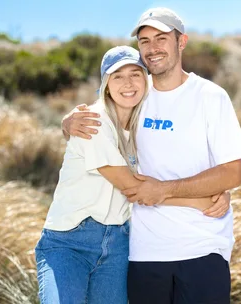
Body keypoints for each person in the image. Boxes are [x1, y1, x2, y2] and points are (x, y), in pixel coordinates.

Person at [62, 7, 241, 304]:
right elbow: (97, 120)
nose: (153, 48)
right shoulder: (134, 94)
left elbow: (231, 173)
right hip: (143, 254)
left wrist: (165, 190)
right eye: (145, 41)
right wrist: (68, 122)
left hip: (203, 248)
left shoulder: (210, 97)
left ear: (181, 42)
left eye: (161, 38)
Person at [36, 45, 220, 304]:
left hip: (118, 247)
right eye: (118, 76)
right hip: (69, 244)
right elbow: (133, 187)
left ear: (146, 81)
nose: (128, 83)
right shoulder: (93, 122)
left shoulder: (146, 125)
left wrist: (217, 192)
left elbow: (179, 163)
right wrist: (200, 201)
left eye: (135, 74)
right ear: (106, 85)